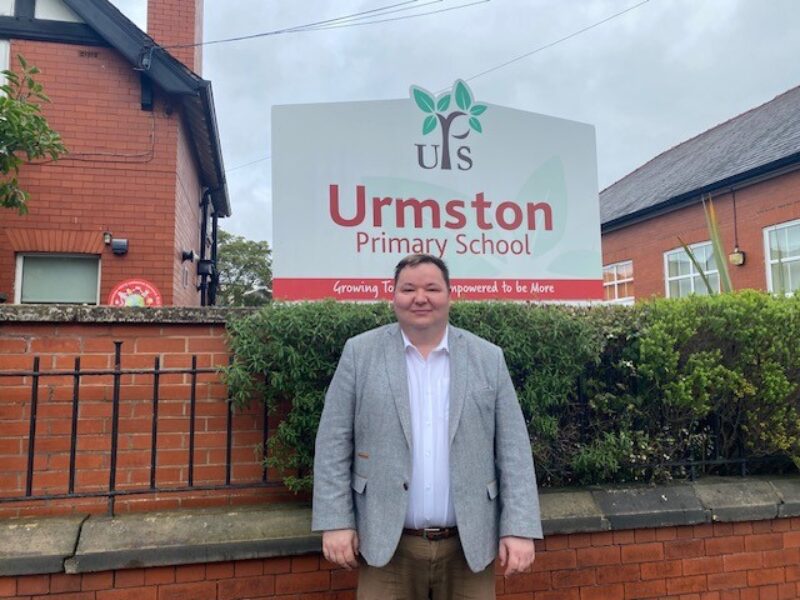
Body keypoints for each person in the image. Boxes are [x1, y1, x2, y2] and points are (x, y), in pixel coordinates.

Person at [312, 254, 542, 599]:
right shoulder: (360, 353)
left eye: (432, 288)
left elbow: (513, 449)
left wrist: (519, 528)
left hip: (469, 546)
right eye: (408, 289)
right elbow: (333, 442)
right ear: (393, 296)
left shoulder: (487, 357)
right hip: (386, 546)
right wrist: (336, 521)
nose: (420, 298)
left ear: (451, 295)